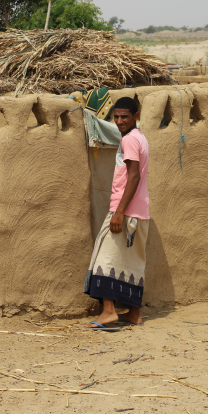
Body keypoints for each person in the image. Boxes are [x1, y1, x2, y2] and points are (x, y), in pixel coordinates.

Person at [83, 95, 150, 330]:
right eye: (117, 117)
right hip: (140, 211)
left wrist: (119, 212)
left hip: (127, 211)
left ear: (136, 116)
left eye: (125, 117)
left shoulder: (129, 141)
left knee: (104, 258)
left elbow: (133, 176)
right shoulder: (139, 137)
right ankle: (134, 314)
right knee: (132, 264)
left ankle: (109, 312)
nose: (120, 121)